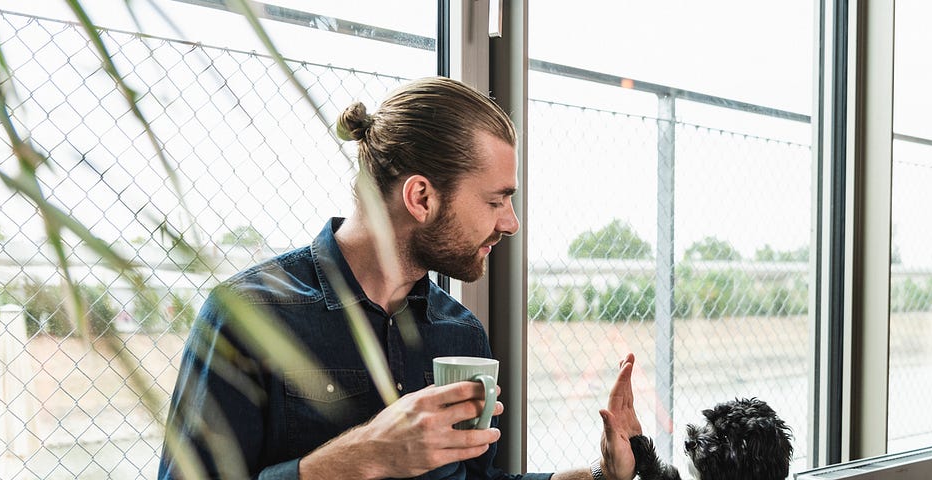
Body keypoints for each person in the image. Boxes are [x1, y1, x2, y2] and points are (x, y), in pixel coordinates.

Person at [157, 77, 642, 480]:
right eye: (495, 201)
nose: (510, 222)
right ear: (421, 198)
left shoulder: (461, 333)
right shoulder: (248, 314)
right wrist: (364, 454)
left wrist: (598, 475)